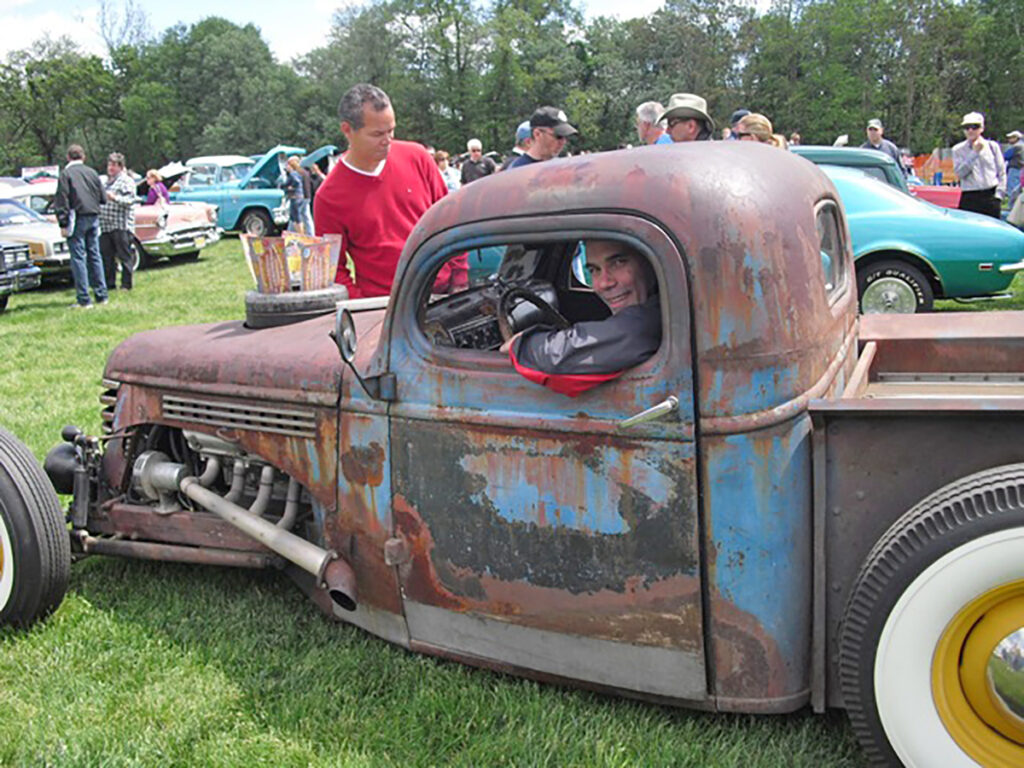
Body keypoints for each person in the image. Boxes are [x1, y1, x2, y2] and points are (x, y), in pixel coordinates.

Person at [313, 83, 466, 298]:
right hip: (385, 306)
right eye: (377, 134)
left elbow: (451, 219)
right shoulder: (329, 197)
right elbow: (333, 270)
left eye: (391, 130)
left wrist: (459, 278)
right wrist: (366, 309)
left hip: (443, 293)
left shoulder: (417, 157)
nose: (387, 141)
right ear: (347, 130)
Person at [504, 240, 661, 397]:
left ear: (651, 262)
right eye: (594, 270)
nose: (603, 283)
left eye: (618, 263)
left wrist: (522, 345)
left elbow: (630, 332)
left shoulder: (653, 318)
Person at [54, 144, 108, 309]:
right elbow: (103, 198)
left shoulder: (66, 174)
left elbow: (62, 199)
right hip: (93, 215)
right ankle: (101, 295)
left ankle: (84, 299)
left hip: (76, 216)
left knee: (78, 257)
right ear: (83, 157)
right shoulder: (92, 172)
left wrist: (63, 222)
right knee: (95, 255)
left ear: (68, 157)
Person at [953, 111, 1007, 219]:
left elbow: (1001, 172)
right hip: (970, 196)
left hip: (990, 195)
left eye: (974, 127)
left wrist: (999, 195)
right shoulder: (958, 150)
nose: (970, 130)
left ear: (981, 128)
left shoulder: (992, 146)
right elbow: (960, 173)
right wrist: (974, 153)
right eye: (967, 127)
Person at [99, 152, 136, 291]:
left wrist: (114, 197)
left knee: (124, 256)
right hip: (105, 226)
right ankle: (110, 284)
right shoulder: (103, 181)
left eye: (114, 165)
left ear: (121, 167)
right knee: (107, 257)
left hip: (121, 225)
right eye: (109, 164)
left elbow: (130, 201)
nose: (110, 168)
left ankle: (126, 284)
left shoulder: (126, 181)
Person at [507, 107, 578, 169]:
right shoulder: (518, 170)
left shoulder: (560, 167)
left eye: (565, 137)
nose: (563, 141)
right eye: (558, 136)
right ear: (537, 134)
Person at [282, 156, 306, 233]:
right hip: (300, 196)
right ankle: (293, 232)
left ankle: (300, 234)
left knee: (297, 217)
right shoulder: (299, 173)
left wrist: (291, 187)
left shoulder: (292, 174)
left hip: (295, 197)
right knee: (293, 217)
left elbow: (296, 182)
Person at [1004, 130, 1023, 202]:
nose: (1009, 139)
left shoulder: (1016, 146)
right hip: (1021, 169)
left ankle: (1011, 207)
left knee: (1012, 190)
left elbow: (1006, 156)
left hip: (1014, 168)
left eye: (1011, 137)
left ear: (1016, 138)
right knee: (1018, 189)